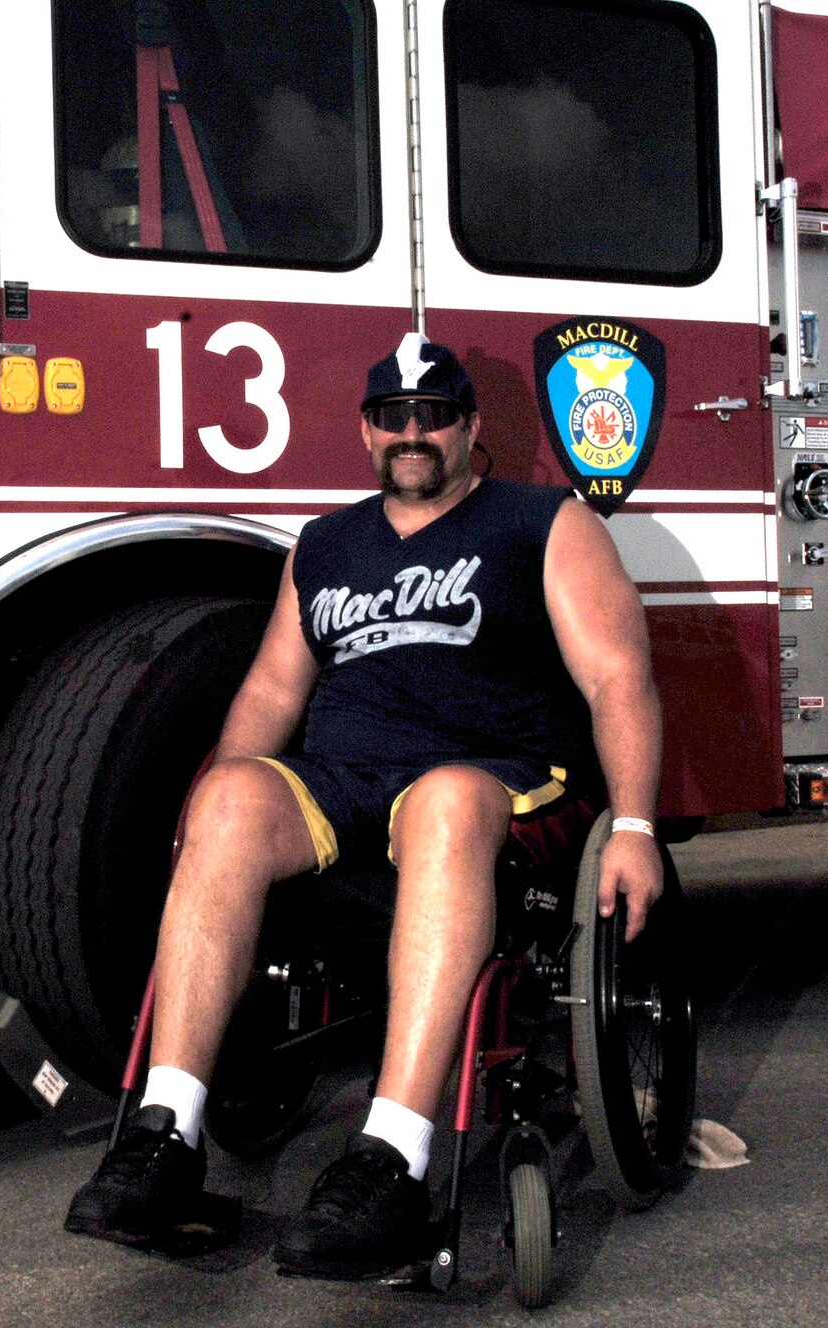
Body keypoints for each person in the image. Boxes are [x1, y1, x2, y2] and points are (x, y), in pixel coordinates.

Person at [65, 333, 665, 1277]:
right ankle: (164, 1136)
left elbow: (618, 678)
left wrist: (634, 827)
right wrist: (221, 778)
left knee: (447, 800)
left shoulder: (544, 523)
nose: (413, 433)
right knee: (224, 800)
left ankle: (393, 1160)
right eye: (394, 417)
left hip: (497, 775)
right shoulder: (324, 543)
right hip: (346, 779)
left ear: (470, 427)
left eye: (434, 416)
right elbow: (270, 692)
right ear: (367, 431)